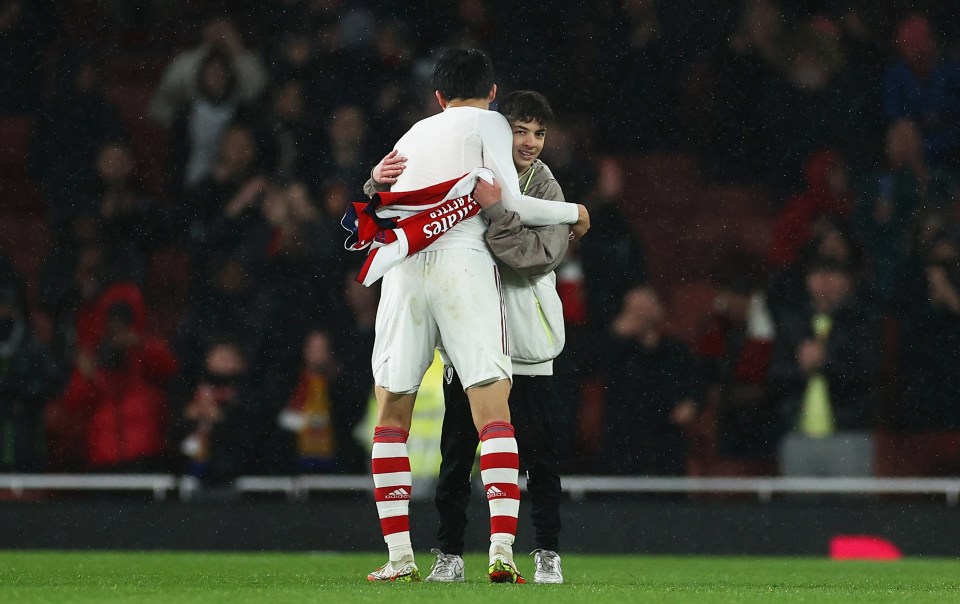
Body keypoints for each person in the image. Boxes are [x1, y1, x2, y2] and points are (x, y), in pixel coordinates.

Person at [359, 48, 588, 583]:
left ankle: (398, 557)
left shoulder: (412, 135)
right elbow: (514, 203)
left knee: (392, 416)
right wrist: (575, 213)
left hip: (404, 268)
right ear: (491, 94)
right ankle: (502, 549)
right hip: (463, 267)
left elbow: (380, 201)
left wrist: (371, 181)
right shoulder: (488, 124)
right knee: (493, 414)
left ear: (437, 97)